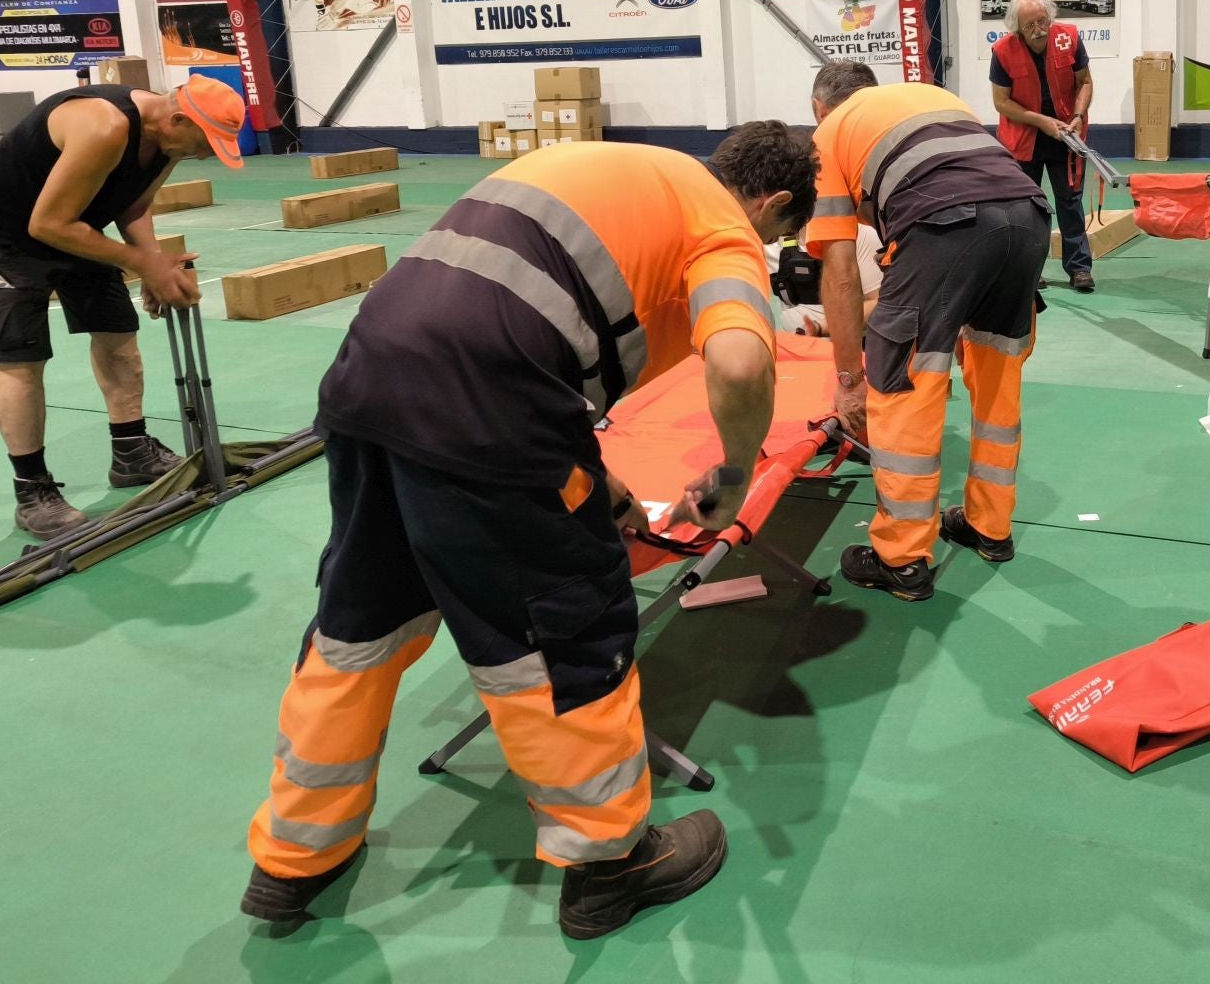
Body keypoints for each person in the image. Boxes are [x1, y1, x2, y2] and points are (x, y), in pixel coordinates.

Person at [240, 127, 818, 939]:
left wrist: (591, 474)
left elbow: (515, 311)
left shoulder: (614, 166)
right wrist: (731, 476)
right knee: (558, 639)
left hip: (369, 378)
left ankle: (295, 855)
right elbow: (740, 366)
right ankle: (613, 865)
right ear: (771, 205)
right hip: (486, 410)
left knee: (358, 626)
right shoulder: (720, 226)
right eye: (776, 238)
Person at [806, 63, 1049, 602]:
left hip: (945, 225)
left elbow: (842, 272)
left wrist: (850, 378)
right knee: (996, 381)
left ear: (823, 110)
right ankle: (990, 525)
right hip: (1030, 218)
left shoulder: (827, 135)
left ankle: (902, 558)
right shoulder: (928, 96)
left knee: (904, 384)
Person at [0, 75, 244, 539]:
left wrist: (153, 264)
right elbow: (48, 223)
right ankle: (31, 489)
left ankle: (131, 450)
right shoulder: (103, 124)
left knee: (119, 333)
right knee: (22, 358)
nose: (203, 155)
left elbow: (134, 205)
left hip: (74, 222)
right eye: (204, 144)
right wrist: (143, 264)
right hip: (2, 232)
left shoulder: (166, 142)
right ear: (178, 119)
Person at [990, 0, 1096, 292]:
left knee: (1070, 201)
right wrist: (1041, 121)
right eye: (1030, 25)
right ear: (1017, 29)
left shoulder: (1070, 38)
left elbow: (1085, 82)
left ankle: (1079, 268)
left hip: (1067, 135)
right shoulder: (1003, 52)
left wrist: (1077, 116)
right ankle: (1029, 272)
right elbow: (1002, 102)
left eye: (1042, 21)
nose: (1039, 30)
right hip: (1024, 138)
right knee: (1027, 207)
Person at [767, 221, 881, 336]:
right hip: (795, 347)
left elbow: (877, 304)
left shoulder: (861, 234)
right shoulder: (770, 239)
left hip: (846, 346)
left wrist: (818, 328)